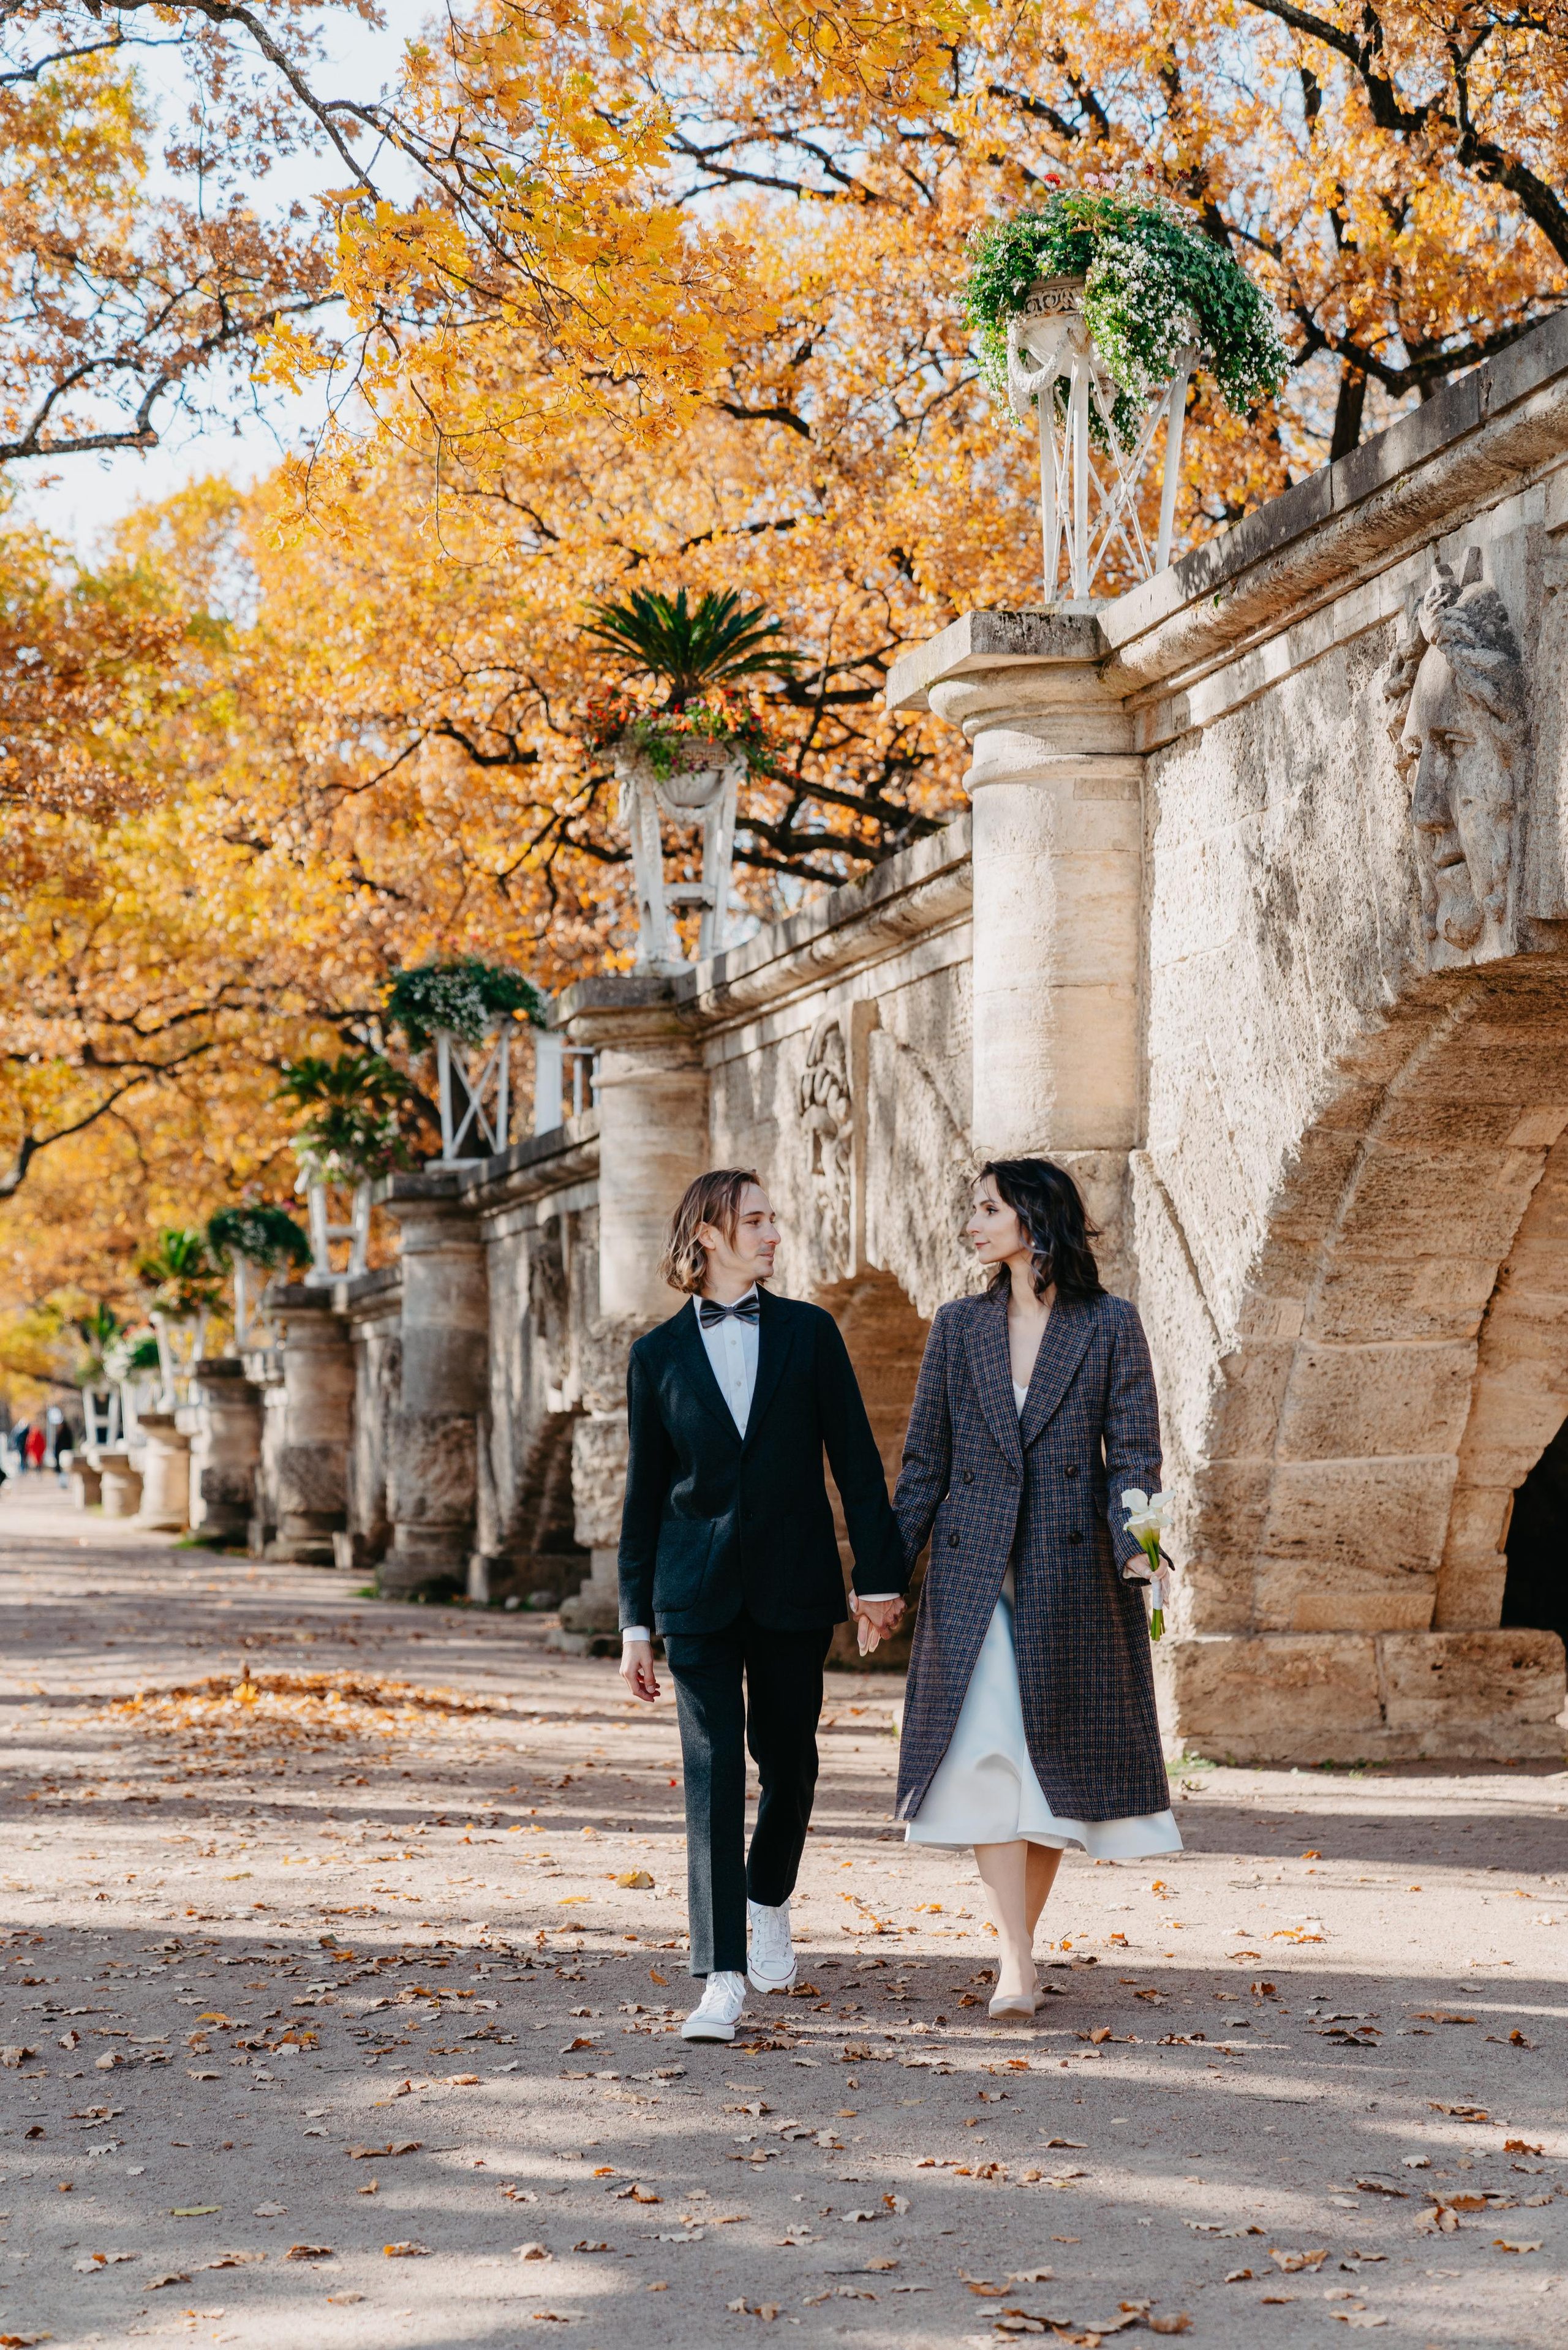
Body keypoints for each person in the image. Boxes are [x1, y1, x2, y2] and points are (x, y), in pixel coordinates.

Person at [618, 1168, 908, 2043]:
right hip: (694, 1595)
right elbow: (642, 1497)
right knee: (709, 1775)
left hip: (793, 1583)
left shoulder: (812, 1335)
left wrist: (881, 1578)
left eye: (772, 1218)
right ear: (708, 1234)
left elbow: (856, 1460)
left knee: (791, 1761)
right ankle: (722, 1974)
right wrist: (635, 1621)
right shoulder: (656, 1355)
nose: (773, 1232)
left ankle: (769, 1890)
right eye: (756, 1219)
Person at [892, 1159, 1179, 2017]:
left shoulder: (1109, 1324)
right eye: (972, 1208)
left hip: (1072, 1572)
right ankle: (1017, 1959)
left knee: (1051, 1770)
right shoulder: (956, 1326)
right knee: (986, 1752)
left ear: (1034, 1218)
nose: (972, 1222)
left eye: (988, 1207)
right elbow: (923, 1467)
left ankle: (1017, 1951)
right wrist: (882, 1579)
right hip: (974, 1570)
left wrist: (1143, 1546)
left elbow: (1135, 1452)